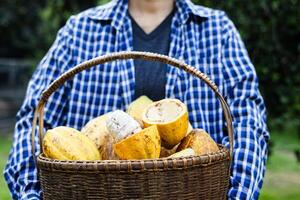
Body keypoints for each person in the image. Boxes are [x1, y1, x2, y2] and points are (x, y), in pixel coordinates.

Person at [4, 0, 269, 199]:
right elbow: (34, 119)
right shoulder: (78, 31)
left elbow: (248, 120)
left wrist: (237, 195)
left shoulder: (218, 31)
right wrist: (31, 195)